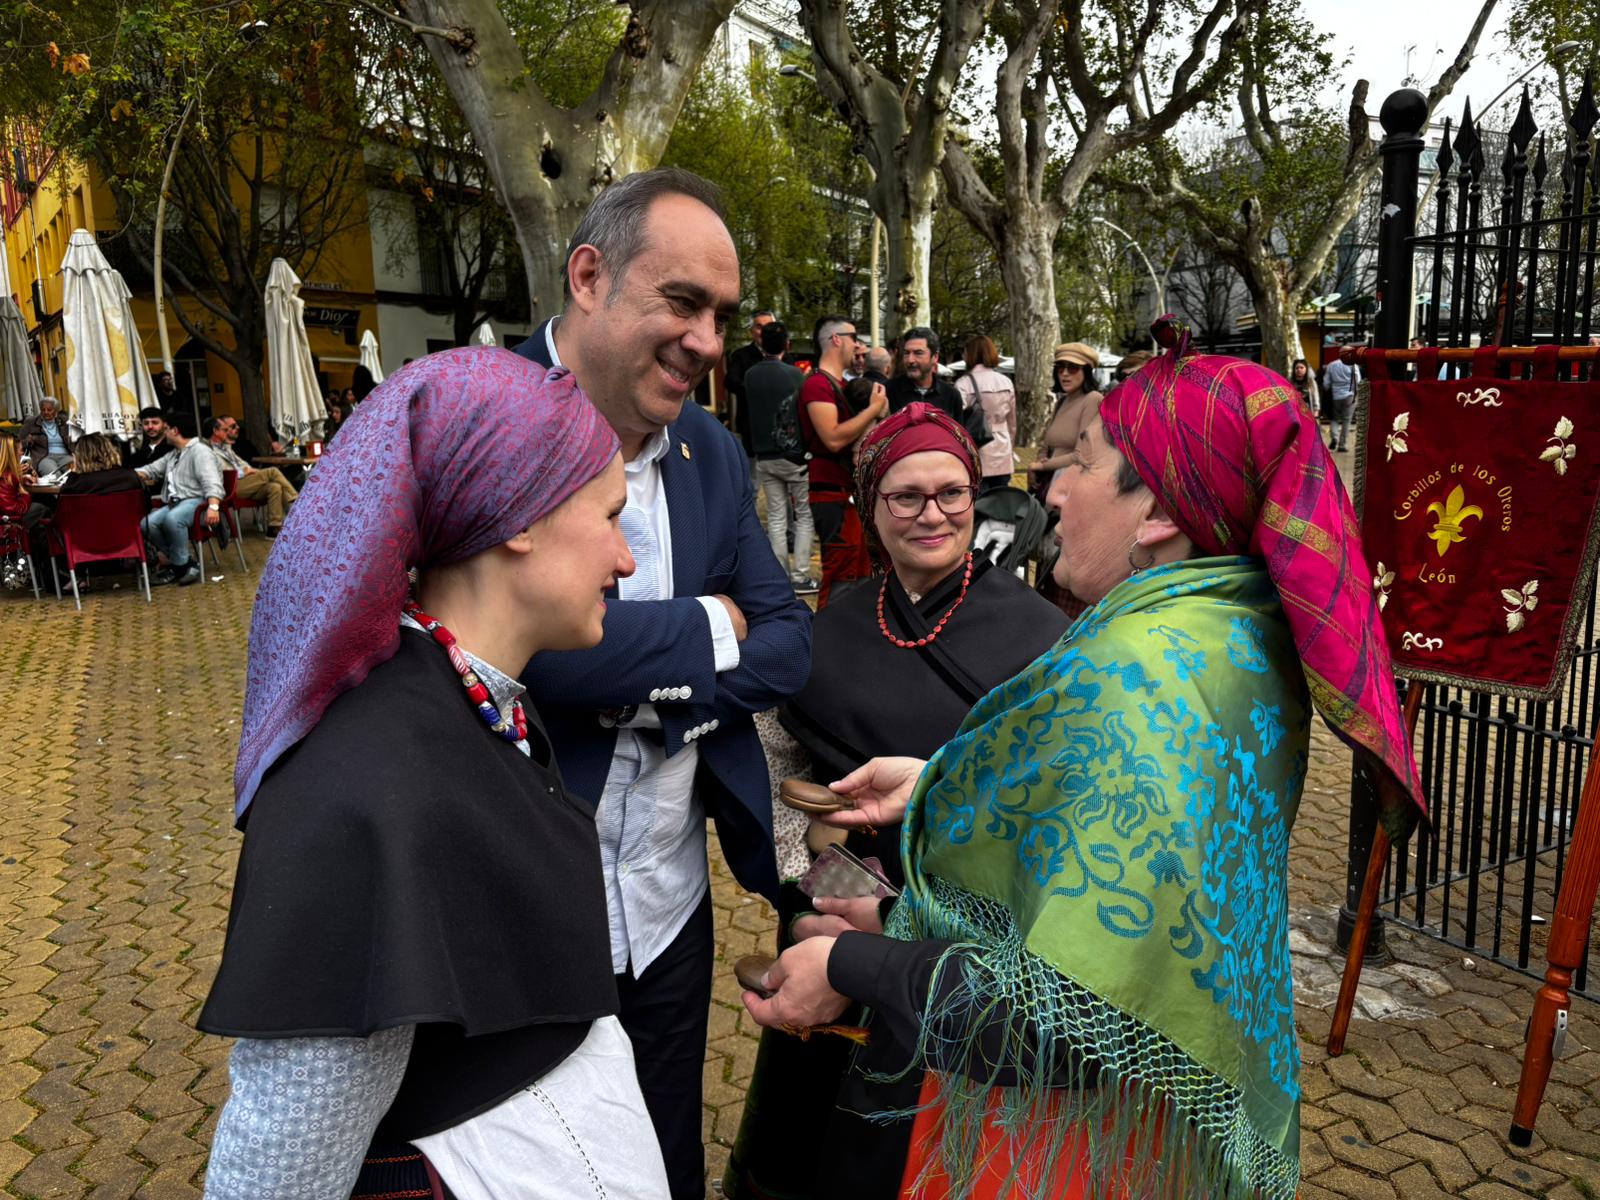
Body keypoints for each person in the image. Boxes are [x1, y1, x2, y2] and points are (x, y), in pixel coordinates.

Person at [741, 318, 1425, 1200]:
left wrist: (845, 967)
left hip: (1061, 1146)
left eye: (1084, 461)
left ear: (1165, 512)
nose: (1051, 492)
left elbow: (1060, 1022)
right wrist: (943, 786)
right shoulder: (1229, 641)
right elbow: (1089, 848)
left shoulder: (1136, 677)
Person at [197, 349, 669, 1200]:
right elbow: (282, 1161)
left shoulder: (477, 699)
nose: (625, 558)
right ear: (519, 519)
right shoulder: (367, 784)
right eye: (608, 517)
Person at [510, 167, 812, 1200]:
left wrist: (642, 670)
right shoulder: (483, 421)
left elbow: (787, 643)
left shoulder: (713, 451)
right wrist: (701, 627)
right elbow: (532, 654)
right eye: (681, 303)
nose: (708, 342)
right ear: (588, 276)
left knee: (666, 1165)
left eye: (722, 315)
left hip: (671, 909)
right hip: (529, 914)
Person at [723, 404, 1070, 1200]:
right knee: (808, 1152)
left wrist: (908, 922)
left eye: (952, 493)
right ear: (870, 504)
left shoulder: (1044, 637)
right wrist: (823, 903)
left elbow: (1055, 814)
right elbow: (778, 773)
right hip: (828, 917)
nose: (934, 514)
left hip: (966, 953)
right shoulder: (829, 629)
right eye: (906, 496)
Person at [799, 315, 887, 607]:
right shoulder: (817, 384)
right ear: (836, 339)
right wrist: (873, 410)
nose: (858, 346)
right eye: (853, 337)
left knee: (858, 571)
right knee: (840, 574)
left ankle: (848, 640)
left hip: (845, 493)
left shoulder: (836, 383)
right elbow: (833, 438)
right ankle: (825, 642)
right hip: (831, 494)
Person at [744, 320, 817, 593]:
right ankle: (800, 575)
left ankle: (782, 577)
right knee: (803, 515)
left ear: (761, 343)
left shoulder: (751, 375)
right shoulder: (795, 376)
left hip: (764, 454)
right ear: (787, 344)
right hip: (794, 455)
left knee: (775, 517)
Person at [134, 412, 222, 586]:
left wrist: (214, 507)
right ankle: (183, 563)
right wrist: (123, 475)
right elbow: (151, 469)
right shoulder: (174, 454)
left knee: (173, 519)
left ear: (175, 430)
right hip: (176, 502)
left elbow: (212, 481)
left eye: (166, 429)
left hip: (197, 500)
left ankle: (179, 566)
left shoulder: (200, 452)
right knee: (147, 524)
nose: (164, 433)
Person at [1027, 342, 1102, 495]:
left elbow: (1083, 455)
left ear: (1087, 372)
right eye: (1060, 367)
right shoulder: (1062, 401)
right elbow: (1046, 445)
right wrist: (1039, 463)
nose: (1065, 373)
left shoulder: (1092, 399)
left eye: (1073, 368)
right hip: (1050, 484)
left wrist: (1040, 467)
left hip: (1074, 487)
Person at [206, 416, 299, 535]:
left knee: (274, 487)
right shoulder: (208, 451)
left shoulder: (226, 447)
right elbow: (221, 473)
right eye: (225, 430)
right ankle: (296, 501)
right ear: (215, 431)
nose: (228, 432)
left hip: (245, 482)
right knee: (272, 471)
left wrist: (250, 470)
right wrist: (246, 472)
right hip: (230, 486)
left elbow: (242, 464)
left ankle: (274, 528)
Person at [954, 334, 1017, 492]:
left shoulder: (964, 383)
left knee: (977, 502)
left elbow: (957, 421)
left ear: (971, 354)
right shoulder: (1006, 381)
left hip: (977, 448)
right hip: (1003, 448)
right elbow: (1012, 423)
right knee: (1001, 501)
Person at [724, 309, 776, 456]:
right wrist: (756, 391)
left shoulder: (785, 357)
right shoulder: (741, 355)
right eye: (759, 327)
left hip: (779, 430)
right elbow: (730, 381)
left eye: (769, 326)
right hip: (751, 427)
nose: (764, 331)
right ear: (752, 331)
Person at [886, 327, 961, 418]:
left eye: (918, 353)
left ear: (935, 357)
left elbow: (957, 431)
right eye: (906, 353)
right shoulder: (888, 391)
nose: (910, 360)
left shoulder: (951, 395)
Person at [20, 397, 77, 475]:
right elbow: (19, 443)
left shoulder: (64, 422)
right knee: (55, 475)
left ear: (56, 410)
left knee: (75, 473)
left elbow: (75, 438)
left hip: (65, 456)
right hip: (44, 457)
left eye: (49, 410)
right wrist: (27, 441)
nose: (46, 412)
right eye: (43, 410)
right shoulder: (31, 422)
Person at [1322, 352, 1360, 451]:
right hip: (1350, 395)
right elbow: (1358, 380)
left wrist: (1329, 390)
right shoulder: (1353, 365)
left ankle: (1334, 437)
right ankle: (1342, 445)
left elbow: (1326, 383)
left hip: (1336, 396)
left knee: (1335, 419)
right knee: (1346, 420)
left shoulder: (1332, 365)